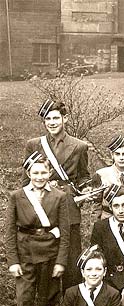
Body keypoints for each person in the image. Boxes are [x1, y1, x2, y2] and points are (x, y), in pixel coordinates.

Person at [6, 152, 70, 306]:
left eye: (44, 172)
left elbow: (65, 232)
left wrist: (61, 261)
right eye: (36, 172)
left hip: (50, 251)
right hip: (25, 252)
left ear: (50, 173)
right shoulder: (18, 195)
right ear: (28, 173)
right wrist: (13, 261)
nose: (40, 176)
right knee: (24, 297)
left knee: (48, 296)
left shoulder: (59, 196)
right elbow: (9, 232)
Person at [25, 99, 89, 290]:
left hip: (68, 206)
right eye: (47, 119)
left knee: (71, 263)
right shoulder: (34, 145)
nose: (52, 122)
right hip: (42, 207)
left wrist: (84, 191)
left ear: (65, 119)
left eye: (56, 118)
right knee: (46, 265)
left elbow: (83, 176)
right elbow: (24, 180)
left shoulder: (79, 146)